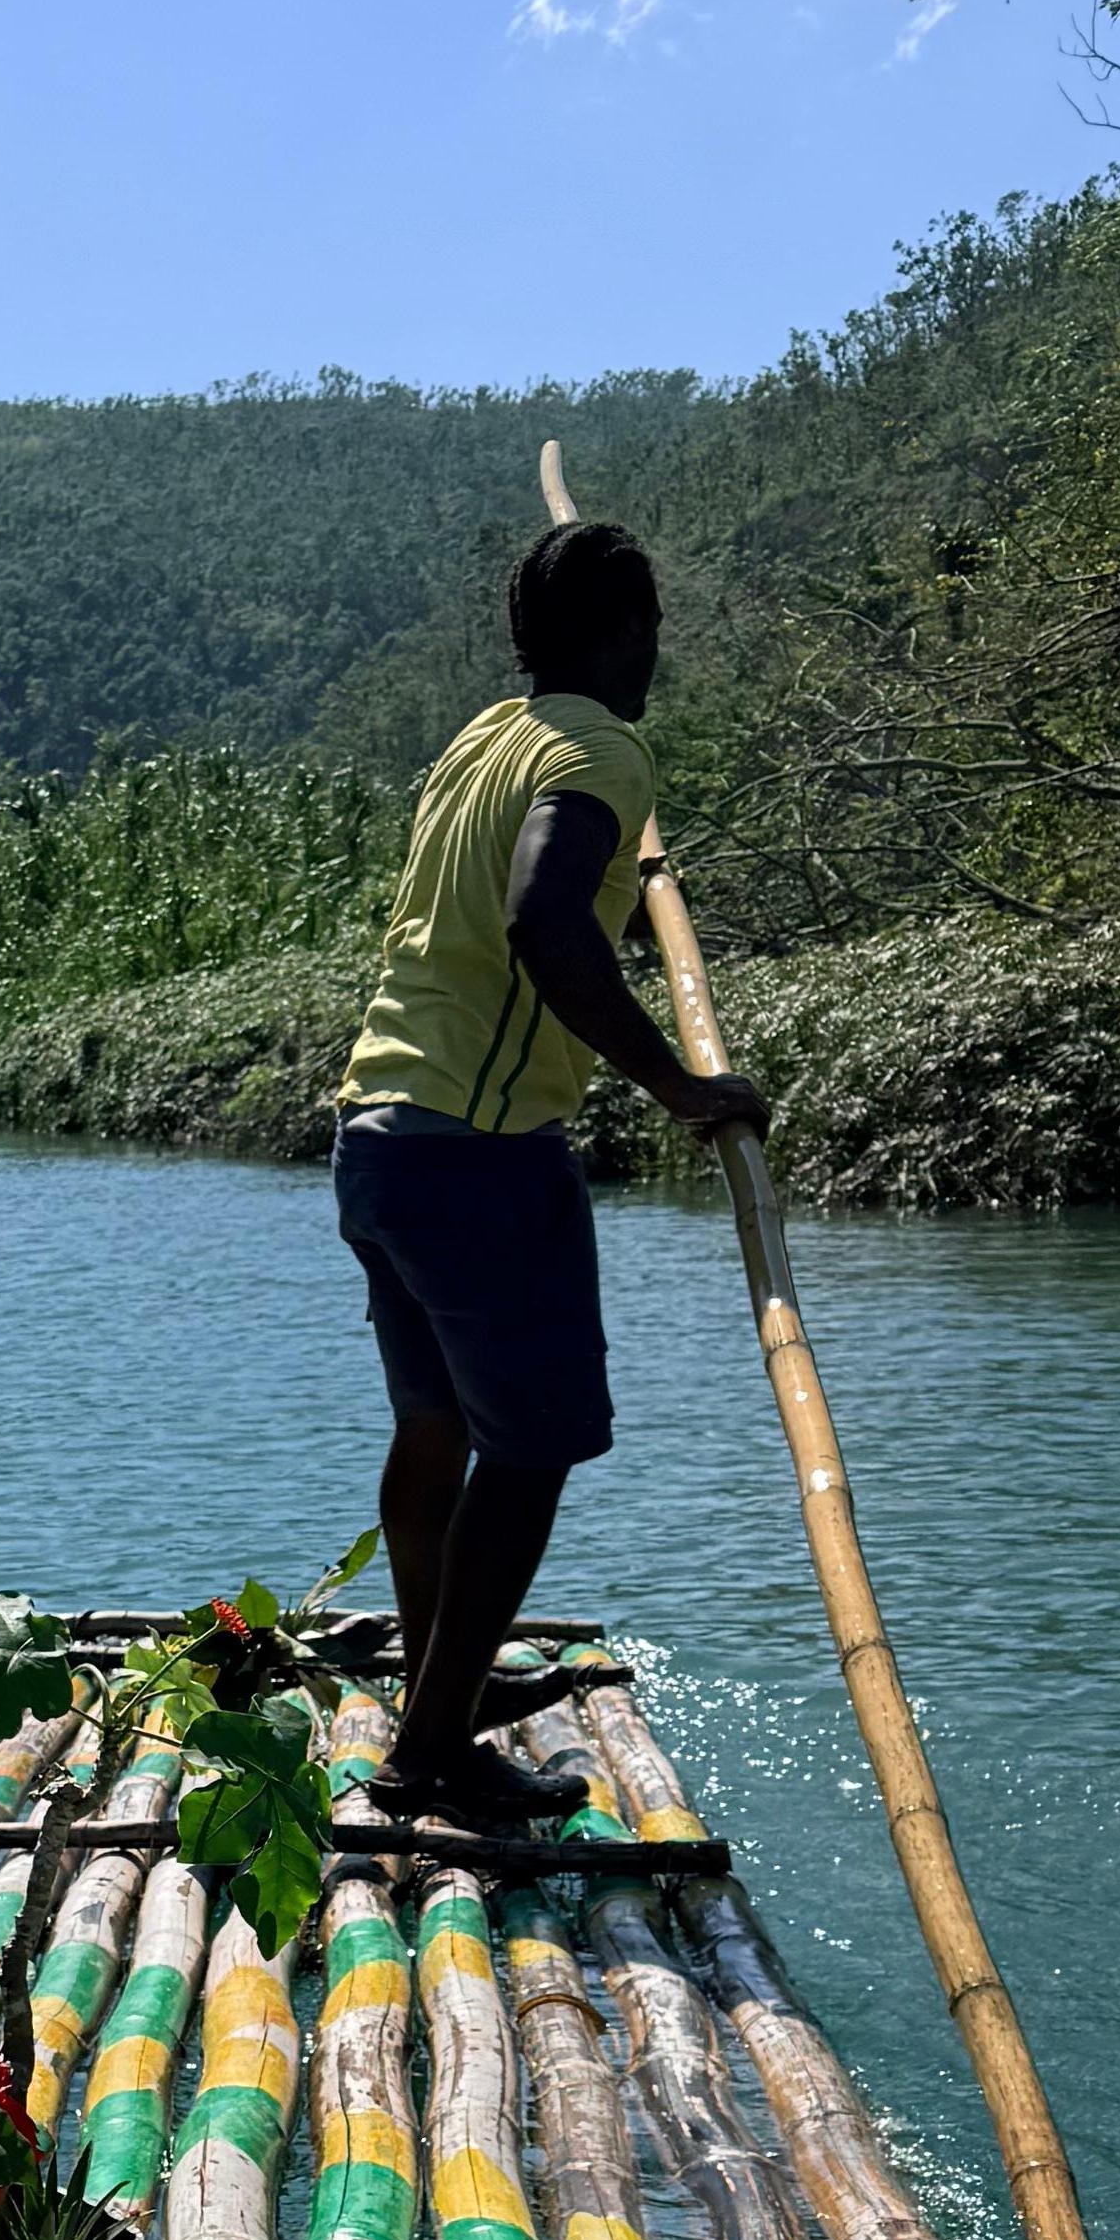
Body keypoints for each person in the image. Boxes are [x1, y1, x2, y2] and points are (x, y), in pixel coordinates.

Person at [331, 520, 769, 1828]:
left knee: (436, 1427)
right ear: (625, 633)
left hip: (378, 1131)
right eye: (652, 632)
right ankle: (429, 1757)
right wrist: (679, 1085)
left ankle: (440, 1694)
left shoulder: (487, 738)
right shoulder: (598, 752)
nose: (655, 657)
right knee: (530, 1452)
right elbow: (541, 918)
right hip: (480, 1154)